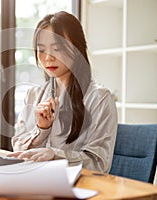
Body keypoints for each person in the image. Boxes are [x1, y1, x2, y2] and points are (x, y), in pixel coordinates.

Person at [7, 11, 118, 173]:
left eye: (57, 48)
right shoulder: (34, 94)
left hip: (77, 188)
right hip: (36, 181)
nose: (48, 58)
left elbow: (99, 164)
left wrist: (55, 155)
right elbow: (18, 148)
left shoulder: (99, 98)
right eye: (42, 50)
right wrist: (42, 129)